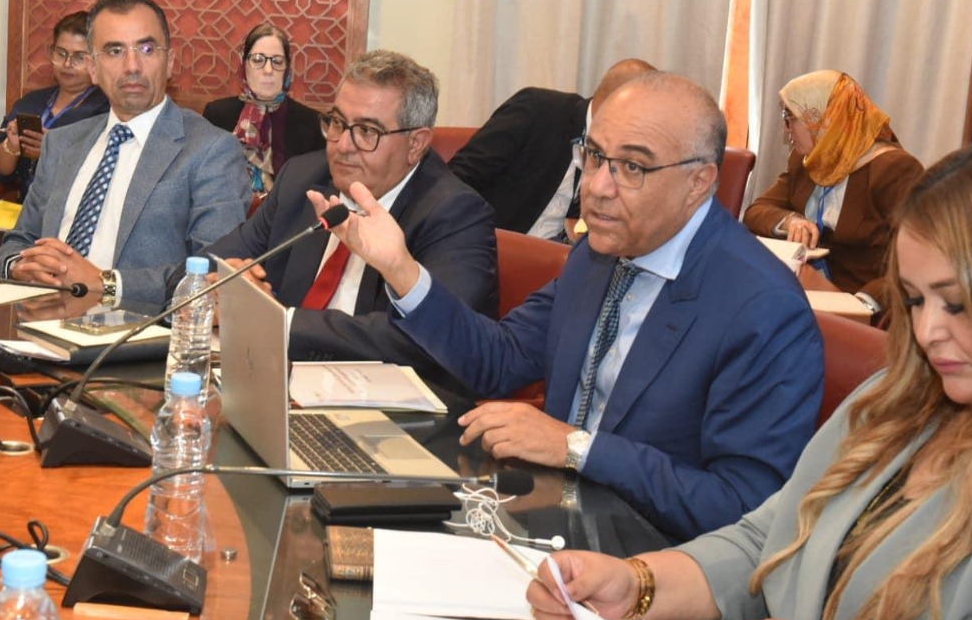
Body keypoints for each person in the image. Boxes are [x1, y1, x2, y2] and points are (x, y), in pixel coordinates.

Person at [527, 141, 972, 620]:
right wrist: (636, 584)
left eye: (956, 304)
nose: (928, 331)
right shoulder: (891, 403)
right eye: (914, 300)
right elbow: (768, 540)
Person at [308, 71, 822, 540]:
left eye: (632, 167)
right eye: (594, 156)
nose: (596, 187)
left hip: (650, 561)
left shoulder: (763, 308)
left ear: (699, 182)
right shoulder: (596, 257)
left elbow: (742, 507)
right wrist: (401, 269)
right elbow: (499, 360)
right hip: (548, 524)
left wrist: (578, 448)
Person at [200, 49, 497, 387]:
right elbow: (216, 259)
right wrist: (214, 288)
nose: (342, 145)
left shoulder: (455, 214)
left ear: (416, 144)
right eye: (338, 123)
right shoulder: (303, 178)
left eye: (367, 131)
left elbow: (423, 338)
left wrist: (277, 320)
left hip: (394, 403)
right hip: (280, 381)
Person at [0, 0, 250, 305]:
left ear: (169, 63)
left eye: (147, 49)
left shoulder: (211, 151)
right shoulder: (62, 143)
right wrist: (19, 267)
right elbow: (18, 241)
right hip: (43, 315)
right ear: (93, 68)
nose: (132, 66)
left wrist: (106, 284)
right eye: (115, 51)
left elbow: (213, 275)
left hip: (135, 328)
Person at [744, 70, 923, 315]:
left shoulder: (894, 170)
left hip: (860, 303)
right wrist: (790, 221)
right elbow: (756, 212)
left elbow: (919, 257)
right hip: (808, 289)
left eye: (790, 118)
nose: (786, 130)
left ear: (826, 119)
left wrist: (867, 302)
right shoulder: (807, 160)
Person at [447, 58, 655, 240]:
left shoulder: (627, 156)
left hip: (563, 262)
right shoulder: (538, 110)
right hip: (492, 248)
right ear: (613, 102)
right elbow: (457, 178)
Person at [0, 11, 109, 199]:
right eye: (61, 53)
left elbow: (108, 176)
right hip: (26, 209)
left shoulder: (107, 110)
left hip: (75, 211)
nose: (67, 63)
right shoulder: (31, 102)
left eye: (79, 57)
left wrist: (54, 152)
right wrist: (11, 148)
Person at [202, 22, 322, 193]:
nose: (268, 70)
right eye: (258, 60)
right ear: (243, 64)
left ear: (287, 68)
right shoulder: (217, 116)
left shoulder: (311, 123)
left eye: (277, 61)